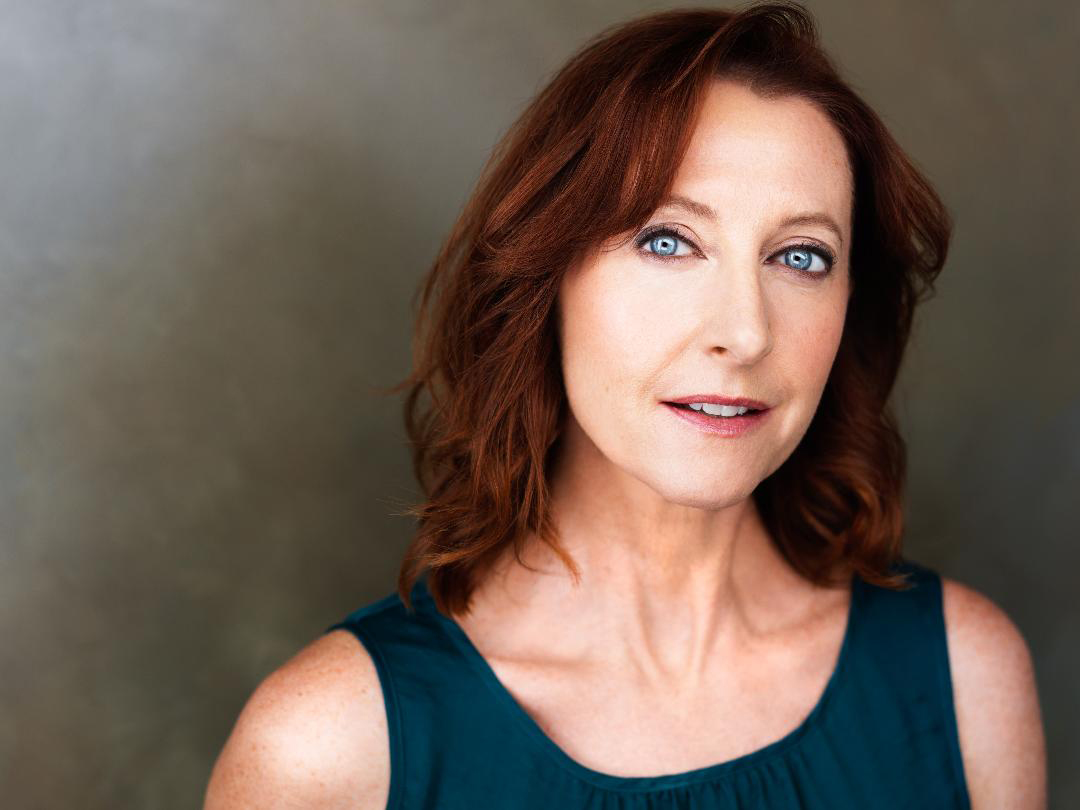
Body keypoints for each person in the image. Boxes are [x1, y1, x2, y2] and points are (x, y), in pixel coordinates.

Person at [203, 2, 1047, 808]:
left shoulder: (963, 678)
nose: (746, 332)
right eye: (667, 241)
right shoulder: (330, 747)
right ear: (546, 280)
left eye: (801, 257)